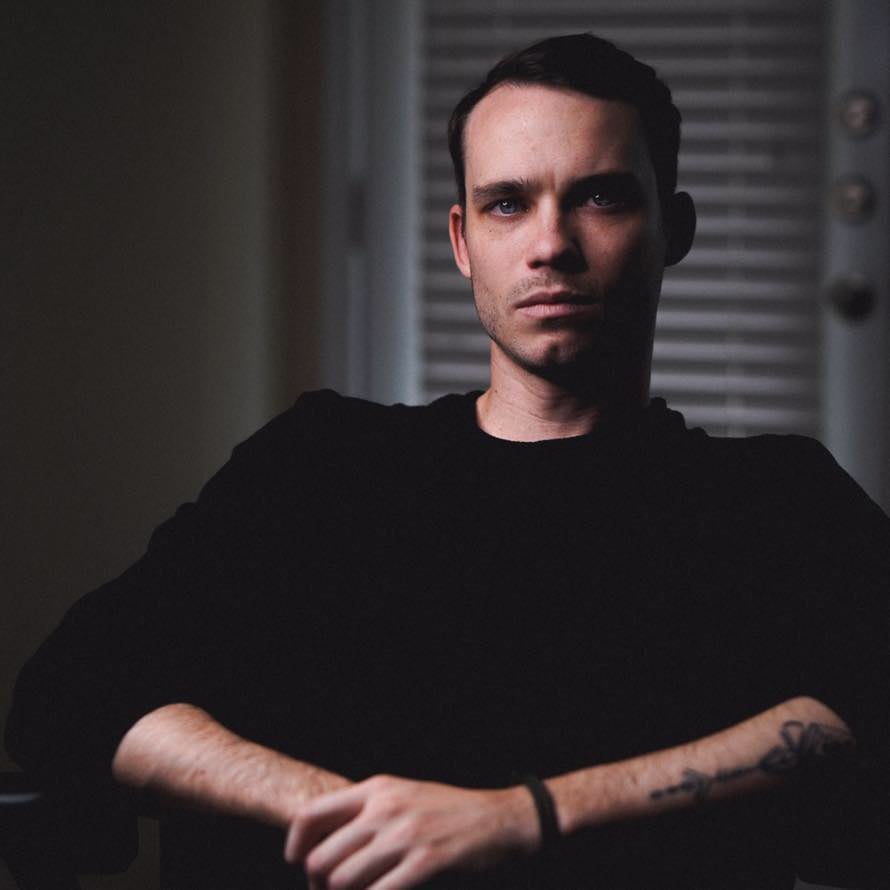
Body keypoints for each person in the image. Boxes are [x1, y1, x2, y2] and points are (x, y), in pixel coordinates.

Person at [5, 33, 888, 890]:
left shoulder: (768, 503)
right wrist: (362, 819)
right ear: (462, 242)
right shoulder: (323, 467)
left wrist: (523, 818)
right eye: (508, 204)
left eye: (600, 198)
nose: (550, 244)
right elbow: (75, 690)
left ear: (674, 228)